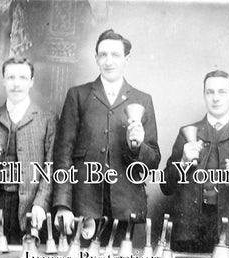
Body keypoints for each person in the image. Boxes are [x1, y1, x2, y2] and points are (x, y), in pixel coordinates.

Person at [53, 29, 160, 242]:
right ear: (96, 58)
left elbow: (154, 161)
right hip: (84, 205)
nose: (109, 61)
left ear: (126, 59)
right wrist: (63, 205)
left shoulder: (143, 100)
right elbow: (63, 155)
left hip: (126, 207)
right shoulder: (78, 95)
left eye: (115, 55)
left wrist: (137, 147)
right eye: (103, 55)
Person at [161, 70, 229, 253]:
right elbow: (165, 186)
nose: (216, 98)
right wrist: (183, 162)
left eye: (222, 92)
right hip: (187, 231)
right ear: (204, 95)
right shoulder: (187, 133)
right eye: (210, 92)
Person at [0, 57, 57, 244]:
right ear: (3, 80)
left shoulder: (47, 120)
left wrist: (40, 204)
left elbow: (51, 169)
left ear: (31, 81)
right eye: (11, 77)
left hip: (31, 208)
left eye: (23, 78)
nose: (16, 84)